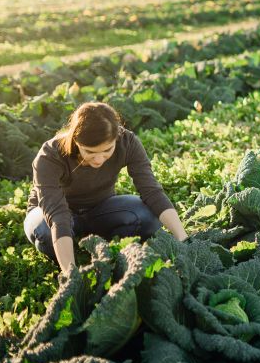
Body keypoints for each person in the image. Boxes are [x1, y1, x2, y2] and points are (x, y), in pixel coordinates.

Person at [23, 101, 187, 271]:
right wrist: (70, 274)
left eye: (107, 150)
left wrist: (183, 240)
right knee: (45, 231)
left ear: (117, 136)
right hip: (52, 214)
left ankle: (95, 241)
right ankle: (70, 250)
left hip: (100, 208)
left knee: (148, 217)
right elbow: (57, 214)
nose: (99, 159)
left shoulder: (127, 142)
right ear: (75, 140)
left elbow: (151, 191)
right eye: (90, 152)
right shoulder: (50, 155)